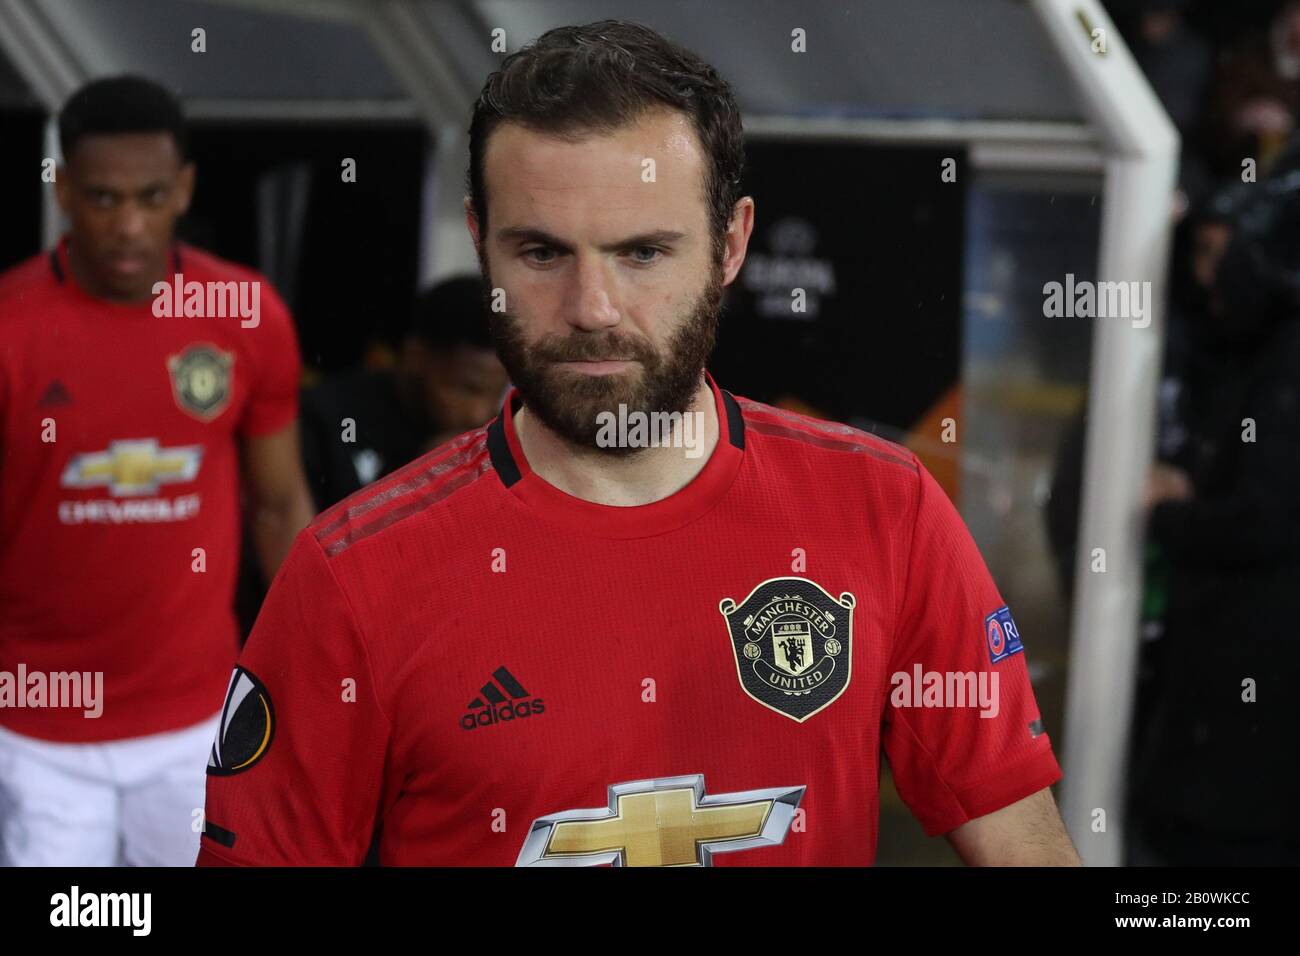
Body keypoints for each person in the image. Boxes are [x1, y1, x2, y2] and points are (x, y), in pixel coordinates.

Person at [198, 20, 1078, 867]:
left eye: (643, 253)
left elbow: (1019, 838)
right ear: (480, 242)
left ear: (731, 244)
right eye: (541, 253)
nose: (592, 309)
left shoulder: (886, 510)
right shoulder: (353, 577)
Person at [0, 75, 314, 866]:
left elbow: (278, 506)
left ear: (184, 188)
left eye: (149, 196)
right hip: (35, 731)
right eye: (104, 199)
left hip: (194, 721)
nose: (129, 226)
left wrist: (314, 672)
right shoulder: (10, 326)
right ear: (63, 188)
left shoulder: (245, 313)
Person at [1129, 169, 1300, 865]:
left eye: (1223, 256)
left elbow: (1267, 520)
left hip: (1241, 753)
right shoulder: (1250, 355)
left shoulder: (1283, 362)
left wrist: (1166, 513)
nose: (1211, 279)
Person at [299, 276, 508, 510]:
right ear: (416, 356)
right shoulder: (325, 420)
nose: (479, 414)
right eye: (466, 389)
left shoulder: (501, 436)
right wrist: (416, 479)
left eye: (497, 393)